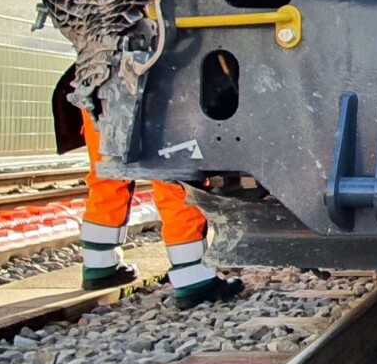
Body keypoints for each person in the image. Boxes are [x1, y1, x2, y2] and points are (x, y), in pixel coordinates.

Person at [52, 74, 244, 309]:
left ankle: (98, 266)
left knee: (108, 175)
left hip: (97, 82)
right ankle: (193, 279)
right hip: (157, 82)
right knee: (173, 179)